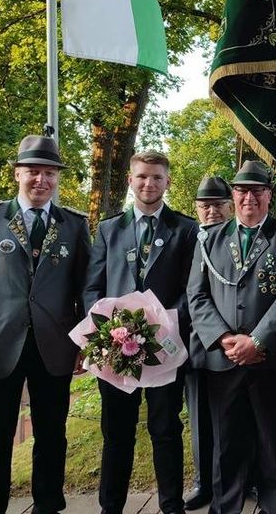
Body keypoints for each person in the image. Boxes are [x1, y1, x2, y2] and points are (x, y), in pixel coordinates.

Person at [0, 135, 90, 514]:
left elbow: (85, 290)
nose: (41, 180)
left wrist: (85, 343)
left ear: (57, 178)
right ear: (17, 174)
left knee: (51, 437)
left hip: (55, 348)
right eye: (33, 171)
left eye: (49, 173)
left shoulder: (75, 225)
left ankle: (48, 506)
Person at [188, 160, 276, 514]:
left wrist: (256, 341)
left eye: (257, 190)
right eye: (242, 191)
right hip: (223, 359)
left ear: (269, 195)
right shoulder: (209, 239)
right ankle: (226, 506)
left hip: (271, 358)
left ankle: (274, 506)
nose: (249, 197)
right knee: (226, 443)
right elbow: (196, 295)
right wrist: (225, 338)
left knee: (273, 441)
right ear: (233, 196)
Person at [84, 151, 199, 514]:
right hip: (115, 350)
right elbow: (93, 287)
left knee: (165, 430)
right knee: (116, 432)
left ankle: (171, 505)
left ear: (167, 182)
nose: (148, 184)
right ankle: (110, 507)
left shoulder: (185, 229)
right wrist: (104, 332)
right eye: (141, 177)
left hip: (163, 347)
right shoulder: (108, 229)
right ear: (131, 180)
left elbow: (191, 288)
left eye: (156, 178)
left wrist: (163, 323)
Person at [184, 175, 234, 510]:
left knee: (234, 420)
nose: (212, 212)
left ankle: (239, 479)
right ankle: (204, 482)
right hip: (194, 343)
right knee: (200, 418)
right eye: (206, 206)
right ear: (197, 210)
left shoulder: (239, 238)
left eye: (218, 205)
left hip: (233, 342)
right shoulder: (188, 237)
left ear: (230, 207)